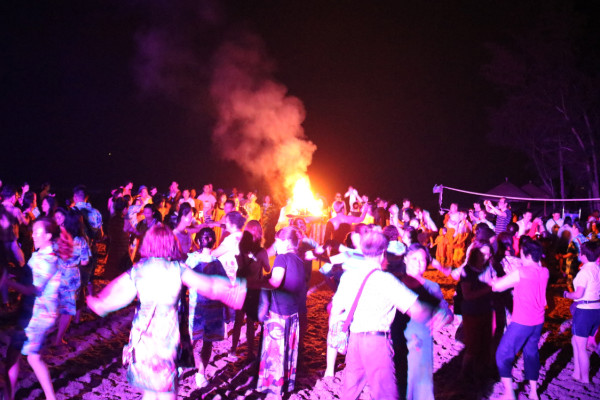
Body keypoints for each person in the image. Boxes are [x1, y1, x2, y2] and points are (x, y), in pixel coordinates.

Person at [86, 224, 246, 400]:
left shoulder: (139, 269)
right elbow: (211, 286)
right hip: (166, 343)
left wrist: (97, 303)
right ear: (171, 243)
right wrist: (237, 292)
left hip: (142, 343)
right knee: (168, 394)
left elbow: (114, 298)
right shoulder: (177, 269)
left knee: (149, 393)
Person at [330, 231, 449, 400]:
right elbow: (416, 311)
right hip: (376, 341)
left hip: (355, 341)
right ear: (383, 253)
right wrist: (437, 311)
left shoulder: (349, 276)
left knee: (350, 391)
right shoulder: (386, 280)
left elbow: (335, 310)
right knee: (386, 394)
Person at [3, 218, 72, 400]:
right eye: (32, 231)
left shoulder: (48, 259)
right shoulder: (39, 254)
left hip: (38, 315)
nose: (32, 234)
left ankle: (48, 397)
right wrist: (12, 273)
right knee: (16, 355)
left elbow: (32, 289)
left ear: (48, 236)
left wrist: (6, 282)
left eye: (36, 232)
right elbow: (27, 277)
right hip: (30, 311)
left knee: (29, 357)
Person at [492, 239, 549, 400]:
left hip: (521, 321)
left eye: (522, 253)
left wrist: (492, 280)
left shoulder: (521, 272)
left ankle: (509, 393)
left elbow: (498, 287)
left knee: (502, 355)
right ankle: (533, 392)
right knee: (531, 354)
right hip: (538, 321)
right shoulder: (545, 271)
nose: (520, 256)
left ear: (528, 254)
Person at [257, 227, 306, 399]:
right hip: (293, 314)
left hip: (278, 312)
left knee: (275, 352)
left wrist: (261, 282)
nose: (275, 245)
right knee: (288, 351)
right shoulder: (299, 261)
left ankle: (274, 390)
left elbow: (275, 282)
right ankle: (286, 385)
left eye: (277, 242)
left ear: (285, 242)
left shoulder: (281, 258)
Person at [402, 244, 453, 400]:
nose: (418, 263)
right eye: (414, 259)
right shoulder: (396, 284)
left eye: (422, 260)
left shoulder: (433, 286)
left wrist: (444, 315)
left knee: (422, 389)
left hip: (423, 345)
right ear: (405, 259)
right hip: (399, 344)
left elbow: (448, 314)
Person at [185, 228, 228, 388]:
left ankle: (182, 366)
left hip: (196, 308)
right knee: (207, 342)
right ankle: (200, 374)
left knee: (191, 339)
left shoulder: (191, 260)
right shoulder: (217, 264)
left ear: (197, 241)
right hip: (213, 310)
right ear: (214, 242)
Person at [231, 220, 270, 359]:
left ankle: (233, 349)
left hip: (241, 286)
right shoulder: (261, 252)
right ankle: (250, 350)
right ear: (259, 233)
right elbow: (267, 269)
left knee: (238, 320)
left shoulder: (240, 248)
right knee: (250, 321)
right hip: (253, 288)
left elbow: (237, 264)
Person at [563, 240, 600, 385]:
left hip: (584, 311)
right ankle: (577, 373)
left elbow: (578, 294)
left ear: (583, 255)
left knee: (581, 346)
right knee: (575, 341)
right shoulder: (597, 269)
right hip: (596, 309)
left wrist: (566, 294)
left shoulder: (584, 272)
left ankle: (584, 378)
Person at [54, 209, 91, 345]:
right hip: (71, 276)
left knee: (57, 304)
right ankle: (58, 339)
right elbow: (85, 261)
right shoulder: (81, 241)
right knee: (68, 309)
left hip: (57, 274)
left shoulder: (59, 238)